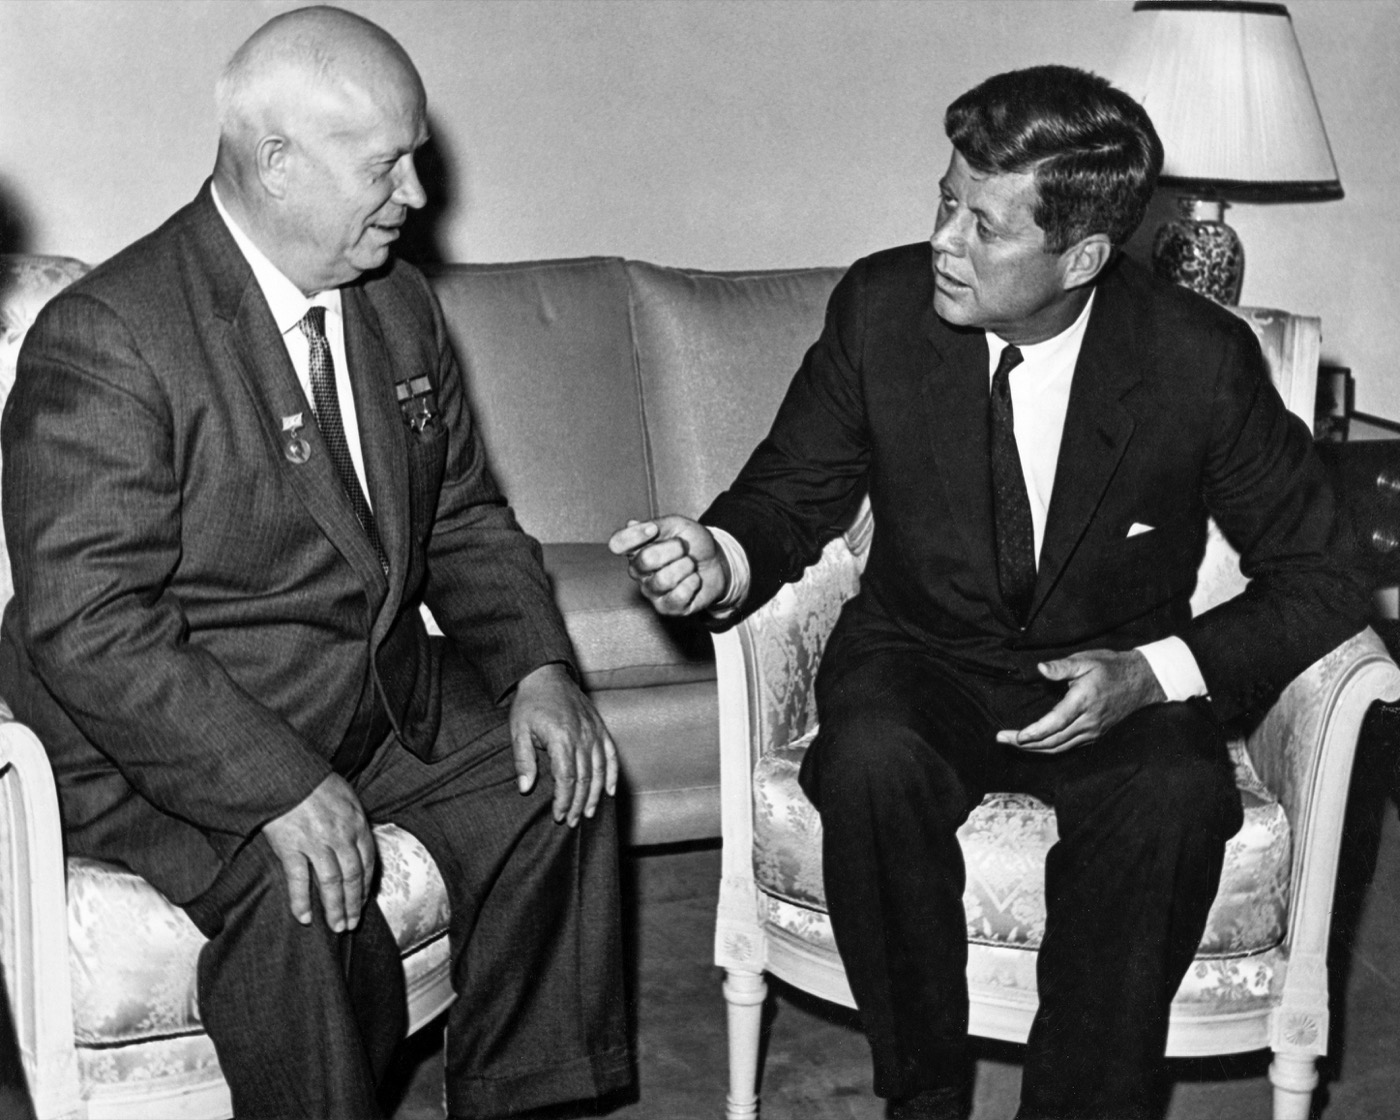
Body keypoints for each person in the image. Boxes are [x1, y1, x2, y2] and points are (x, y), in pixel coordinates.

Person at [611, 65, 1369, 1120]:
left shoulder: (1195, 360)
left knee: (1174, 801)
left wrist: (1151, 677)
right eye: (943, 199)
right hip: (920, 656)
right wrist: (717, 559)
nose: (941, 240)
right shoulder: (880, 313)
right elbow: (785, 498)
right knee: (866, 760)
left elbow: (1323, 574)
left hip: (1113, 673)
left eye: (981, 225)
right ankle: (920, 1095)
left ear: (1082, 256)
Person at [0, 7, 631, 1118]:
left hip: (361, 694)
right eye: (386, 164)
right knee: (300, 896)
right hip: (157, 727)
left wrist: (538, 671)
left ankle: (525, 1098)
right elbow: (91, 623)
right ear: (276, 163)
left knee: (560, 784)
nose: (418, 197)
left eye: (418, 158)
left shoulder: (393, 301)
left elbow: (464, 517)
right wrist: (274, 785)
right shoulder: (114, 335)